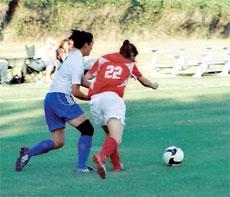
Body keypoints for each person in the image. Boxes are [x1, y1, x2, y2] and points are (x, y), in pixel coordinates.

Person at [16, 30, 95, 173]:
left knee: (58, 142)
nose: (92, 48)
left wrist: (94, 87)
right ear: (86, 44)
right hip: (61, 98)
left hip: (50, 99)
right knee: (87, 129)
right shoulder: (76, 60)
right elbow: (75, 91)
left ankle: (27, 154)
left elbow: (79, 78)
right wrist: (91, 97)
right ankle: (81, 167)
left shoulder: (73, 56)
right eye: (91, 45)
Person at [84, 40, 158, 179]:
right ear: (130, 54)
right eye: (134, 57)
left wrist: (98, 88)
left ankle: (117, 165)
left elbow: (86, 77)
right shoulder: (130, 64)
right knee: (116, 138)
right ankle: (101, 157)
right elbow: (144, 81)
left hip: (95, 101)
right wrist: (154, 85)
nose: (134, 60)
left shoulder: (103, 58)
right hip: (112, 100)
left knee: (110, 135)